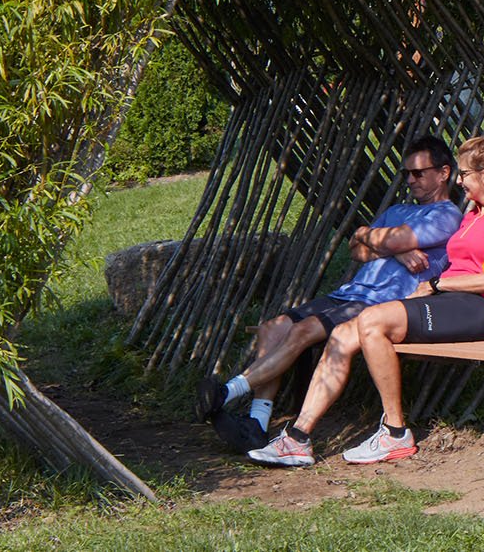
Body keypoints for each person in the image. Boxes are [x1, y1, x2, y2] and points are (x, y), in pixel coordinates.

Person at [248, 135, 484, 467]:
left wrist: (437, 283)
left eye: (465, 174)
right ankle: (298, 439)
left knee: (372, 320)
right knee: (344, 333)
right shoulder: (473, 215)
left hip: (477, 307)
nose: (460, 181)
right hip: (446, 301)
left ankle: (396, 433)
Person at [195, 136, 461, 446]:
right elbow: (356, 249)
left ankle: (228, 392)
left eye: (419, 173)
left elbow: (385, 240)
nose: (411, 180)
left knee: (304, 330)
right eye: (406, 174)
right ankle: (257, 422)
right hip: (350, 293)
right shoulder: (397, 210)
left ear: (443, 173)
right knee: (273, 327)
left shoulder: (446, 215)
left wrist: (375, 237)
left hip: (377, 301)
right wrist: (384, 244)